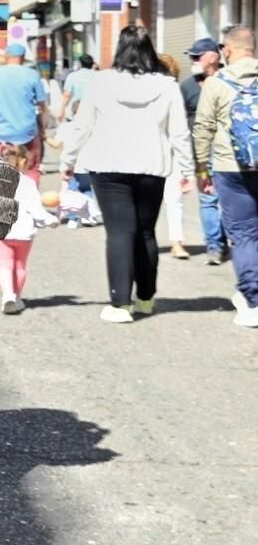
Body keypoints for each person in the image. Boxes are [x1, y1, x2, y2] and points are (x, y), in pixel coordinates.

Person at [62, 26, 193, 324]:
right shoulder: (166, 85)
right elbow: (179, 132)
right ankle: (145, 298)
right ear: (149, 50)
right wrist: (187, 169)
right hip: (151, 166)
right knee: (145, 232)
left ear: (120, 49)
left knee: (120, 232)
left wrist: (68, 161)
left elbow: (82, 124)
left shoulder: (101, 82)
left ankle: (120, 303)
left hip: (108, 166)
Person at [191, 25, 258, 327]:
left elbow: (202, 128)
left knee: (244, 235)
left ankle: (253, 301)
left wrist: (202, 168)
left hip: (231, 169)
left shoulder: (216, 83)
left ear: (227, 51)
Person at [183, 37, 228, 264]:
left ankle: (234, 241)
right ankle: (215, 245)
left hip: (230, 153)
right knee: (208, 198)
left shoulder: (230, 80)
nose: (193, 61)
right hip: (202, 154)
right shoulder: (188, 86)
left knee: (231, 199)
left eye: (197, 56)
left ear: (212, 56)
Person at [0, 144, 55, 315]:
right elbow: (36, 210)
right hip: (24, 234)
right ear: (22, 161)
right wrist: (50, 220)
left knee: (4, 265)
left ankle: (8, 296)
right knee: (20, 265)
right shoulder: (28, 183)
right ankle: (18, 297)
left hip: (2, 233)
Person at [0, 42, 48, 183]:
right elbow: (42, 107)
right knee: (31, 169)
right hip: (27, 132)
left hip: (0, 134)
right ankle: (29, 201)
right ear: (22, 57)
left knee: (1, 173)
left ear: (6, 57)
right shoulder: (32, 75)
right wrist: (43, 129)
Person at [157, 54, 194, 260]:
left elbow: (179, 133)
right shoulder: (169, 91)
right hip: (162, 155)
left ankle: (176, 242)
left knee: (173, 198)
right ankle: (176, 243)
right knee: (174, 200)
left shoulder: (172, 92)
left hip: (167, 154)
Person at [60, 54, 96, 121]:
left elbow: (66, 95)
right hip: (92, 111)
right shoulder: (97, 76)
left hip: (75, 111)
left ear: (80, 64)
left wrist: (62, 110)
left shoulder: (72, 76)